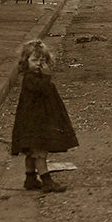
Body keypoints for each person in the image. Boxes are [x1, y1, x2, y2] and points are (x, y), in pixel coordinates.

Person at [11, 39, 79, 193]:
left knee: (31, 152)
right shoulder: (30, 78)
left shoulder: (34, 77)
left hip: (34, 120)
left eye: (42, 61)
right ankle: (47, 181)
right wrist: (47, 76)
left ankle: (30, 178)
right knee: (40, 152)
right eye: (34, 60)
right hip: (35, 122)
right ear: (25, 61)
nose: (39, 64)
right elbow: (42, 89)